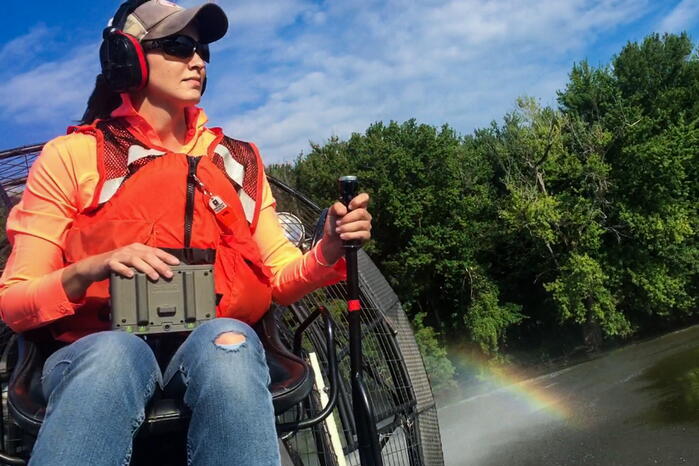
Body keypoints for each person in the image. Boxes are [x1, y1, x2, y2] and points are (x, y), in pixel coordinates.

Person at [0, 1, 372, 465]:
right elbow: (15, 304)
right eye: (177, 46)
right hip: (95, 349)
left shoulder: (239, 160)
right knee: (114, 357)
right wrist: (89, 270)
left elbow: (278, 278)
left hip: (210, 346)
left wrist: (329, 247)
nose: (197, 60)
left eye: (202, 50)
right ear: (126, 56)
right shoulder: (71, 157)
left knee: (231, 344)